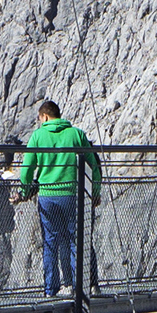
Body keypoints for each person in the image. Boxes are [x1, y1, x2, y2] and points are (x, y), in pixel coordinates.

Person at [15, 101, 98, 298]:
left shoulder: (37, 136)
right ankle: (81, 288)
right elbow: (93, 164)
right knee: (76, 241)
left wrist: (25, 191)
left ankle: (50, 290)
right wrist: (95, 191)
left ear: (44, 116)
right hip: (71, 194)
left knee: (51, 242)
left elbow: (27, 169)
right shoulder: (76, 134)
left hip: (47, 196)